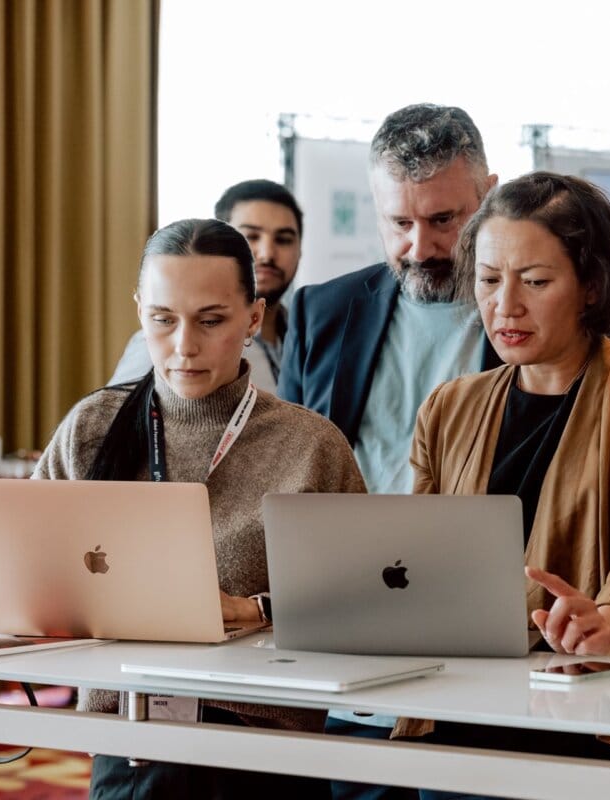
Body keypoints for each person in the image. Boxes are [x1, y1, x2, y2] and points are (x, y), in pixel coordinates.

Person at [280, 103, 610, 800]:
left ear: (489, 195)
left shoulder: (571, 322)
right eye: (399, 223)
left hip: (504, 660)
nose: (420, 247)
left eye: (444, 221)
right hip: (350, 652)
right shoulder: (323, 315)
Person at [399, 171, 610, 798]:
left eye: (535, 282)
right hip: (462, 714)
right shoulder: (449, 406)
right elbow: (414, 562)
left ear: (591, 286)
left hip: (595, 718)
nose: (505, 305)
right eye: (489, 280)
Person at [34, 217, 364, 799]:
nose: (184, 346)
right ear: (140, 311)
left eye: (211, 322)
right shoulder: (92, 429)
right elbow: (29, 574)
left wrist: (256, 610)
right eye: (163, 320)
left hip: (267, 748)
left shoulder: (310, 445)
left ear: (254, 319)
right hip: (131, 739)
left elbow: (366, 601)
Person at [109, 180, 303, 390]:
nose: (267, 253)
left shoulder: (308, 335)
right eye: (250, 237)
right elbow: (115, 416)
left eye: (283, 240)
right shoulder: (164, 345)